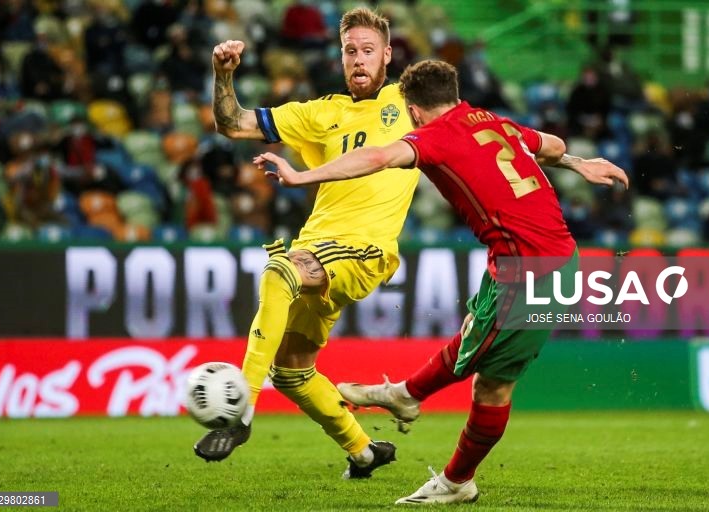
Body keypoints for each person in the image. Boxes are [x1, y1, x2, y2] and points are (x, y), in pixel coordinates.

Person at [256, 59, 628, 504]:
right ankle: (431, 438)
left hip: (533, 269)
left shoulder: (434, 137)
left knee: (482, 368)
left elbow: (375, 157)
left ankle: (412, 409)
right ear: (454, 94)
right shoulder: (490, 119)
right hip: (533, 260)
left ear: (413, 111)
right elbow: (549, 143)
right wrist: (577, 161)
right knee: (488, 378)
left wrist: (302, 176)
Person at [193, 8, 422, 479]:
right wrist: (222, 76)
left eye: (368, 51)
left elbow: (482, 132)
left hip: (365, 250)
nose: (358, 60)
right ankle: (363, 452)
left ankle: (241, 409)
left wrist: (567, 159)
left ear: (388, 55)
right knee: (293, 371)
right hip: (318, 244)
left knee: (280, 271)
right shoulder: (322, 113)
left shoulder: (413, 101)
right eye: (350, 51)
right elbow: (232, 123)